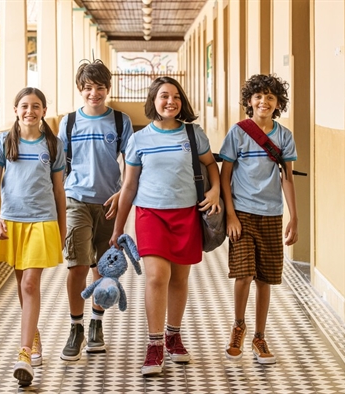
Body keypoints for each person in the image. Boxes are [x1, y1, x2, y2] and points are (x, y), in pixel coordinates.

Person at [110, 76, 221, 376]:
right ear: (153, 101)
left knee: (180, 279)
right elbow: (129, 185)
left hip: (186, 214)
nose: (170, 101)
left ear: (181, 102)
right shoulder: (140, 139)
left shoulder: (193, 134)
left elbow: (211, 164)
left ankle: (174, 335)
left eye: (175, 96)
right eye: (163, 96)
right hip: (151, 215)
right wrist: (118, 228)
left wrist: (215, 191)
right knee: (157, 277)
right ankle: (155, 344)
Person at [0, 87, 66, 385]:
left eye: (36, 106)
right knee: (23, 285)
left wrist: (62, 226)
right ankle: (33, 338)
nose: (30, 111)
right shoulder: (3, 143)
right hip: (12, 222)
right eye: (24, 106)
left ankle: (23, 353)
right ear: (16, 110)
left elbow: (59, 189)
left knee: (31, 283)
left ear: (44, 111)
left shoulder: (54, 145)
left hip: (43, 222)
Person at [219, 73, 298, 365]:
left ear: (278, 103)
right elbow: (225, 177)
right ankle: (238, 325)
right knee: (244, 274)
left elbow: (287, 179)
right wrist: (230, 215)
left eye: (270, 97)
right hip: (242, 212)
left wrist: (295, 217)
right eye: (258, 96)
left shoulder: (284, 136)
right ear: (249, 101)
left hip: (272, 215)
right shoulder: (238, 132)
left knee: (265, 278)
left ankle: (260, 336)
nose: (263, 101)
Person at [57, 59, 134, 361]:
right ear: (80, 89)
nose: (94, 93)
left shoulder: (120, 121)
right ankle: (75, 327)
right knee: (77, 265)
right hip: (76, 199)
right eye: (88, 88)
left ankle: (96, 325)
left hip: (109, 203)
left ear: (107, 89)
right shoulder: (69, 121)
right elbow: (60, 163)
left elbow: (131, 164)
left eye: (100, 88)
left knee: (103, 270)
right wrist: (60, 197)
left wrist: (121, 194)